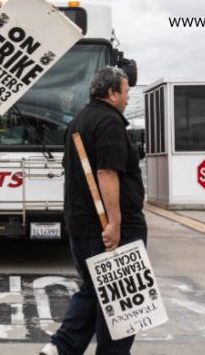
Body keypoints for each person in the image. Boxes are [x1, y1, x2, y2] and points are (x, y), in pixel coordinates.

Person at [40, 67, 147, 355]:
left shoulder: (78, 121)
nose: (127, 98)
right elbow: (106, 173)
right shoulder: (109, 122)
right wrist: (115, 223)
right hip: (108, 230)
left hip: (81, 227)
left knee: (93, 290)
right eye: (125, 92)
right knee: (121, 302)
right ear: (111, 93)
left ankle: (60, 349)